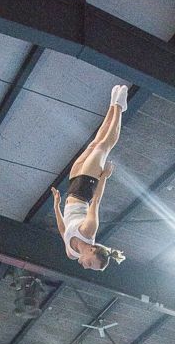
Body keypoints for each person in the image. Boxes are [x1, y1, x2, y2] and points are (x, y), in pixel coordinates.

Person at [52, 85, 128, 271]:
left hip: (72, 187)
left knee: (94, 143)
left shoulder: (71, 253)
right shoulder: (89, 230)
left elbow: (63, 229)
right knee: (104, 145)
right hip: (86, 188)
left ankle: (112, 104)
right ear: (92, 250)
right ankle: (119, 107)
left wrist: (56, 205)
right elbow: (96, 202)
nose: (86, 266)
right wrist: (104, 178)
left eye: (89, 267)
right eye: (91, 263)